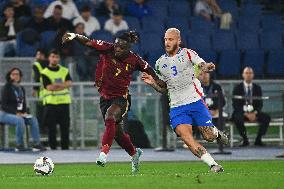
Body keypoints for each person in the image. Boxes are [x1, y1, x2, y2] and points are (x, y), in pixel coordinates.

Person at [62, 30, 164, 173]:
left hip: (121, 98)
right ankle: (135, 154)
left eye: (121, 47)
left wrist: (160, 83)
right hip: (105, 97)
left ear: (128, 48)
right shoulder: (107, 47)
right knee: (117, 134)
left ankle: (103, 154)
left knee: (110, 116)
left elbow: (152, 72)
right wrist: (74, 36)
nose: (117, 49)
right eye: (116, 45)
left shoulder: (135, 60)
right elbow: (87, 42)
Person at [141, 28, 228, 173]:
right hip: (177, 108)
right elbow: (164, 88)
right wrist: (153, 83)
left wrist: (206, 67)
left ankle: (216, 133)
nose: (167, 42)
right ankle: (213, 165)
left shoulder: (188, 53)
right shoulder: (159, 63)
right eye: (165, 39)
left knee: (209, 137)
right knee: (188, 139)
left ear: (178, 41)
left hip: (195, 101)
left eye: (171, 39)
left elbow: (201, 64)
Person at [0, 68, 45, 152]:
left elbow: (23, 104)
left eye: (17, 74)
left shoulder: (21, 89)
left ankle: (37, 144)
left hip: (18, 114)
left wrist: (25, 112)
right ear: (9, 76)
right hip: (4, 113)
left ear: (20, 76)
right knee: (19, 120)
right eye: (13, 74)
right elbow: (3, 105)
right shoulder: (6, 88)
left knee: (33, 119)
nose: (15, 76)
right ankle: (19, 145)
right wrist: (16, 113)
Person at [41, 49, 73, 150]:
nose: (55, 59)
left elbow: (70, 83)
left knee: (65, 128)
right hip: (51, 104)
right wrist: (63, 85)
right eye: (52, 57)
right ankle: (53, 149)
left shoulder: (64, 70)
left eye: (56, 57)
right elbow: (49, 87)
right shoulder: (44, 72)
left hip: (64, 103)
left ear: (59, 58)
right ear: (49, 58)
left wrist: (57, 86)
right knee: (52, 129)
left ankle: (65, 149)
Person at [231, 67, 271, 147]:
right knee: (237, 117)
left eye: (250, 73)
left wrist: (255, 113)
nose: (248, 75)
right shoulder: (237, 88)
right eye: (246, 73)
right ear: (243, 75)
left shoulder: (257, 88)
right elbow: (235, 104)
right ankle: (245, 140)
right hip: (242, 113)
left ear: (253, 75)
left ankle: (258, 140)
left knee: (266, 117)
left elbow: (260, 104)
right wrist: (245, 113)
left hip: (254, 112)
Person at [32, 49, 48, 134]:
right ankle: (45, 129)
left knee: (40, 113)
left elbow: (37, 78)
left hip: (41, 93)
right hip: (49, 93)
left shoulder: (36, 64)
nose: (37, 56)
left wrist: (35, 89)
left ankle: (41, 130)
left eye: (39, 54)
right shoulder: (50, 63)